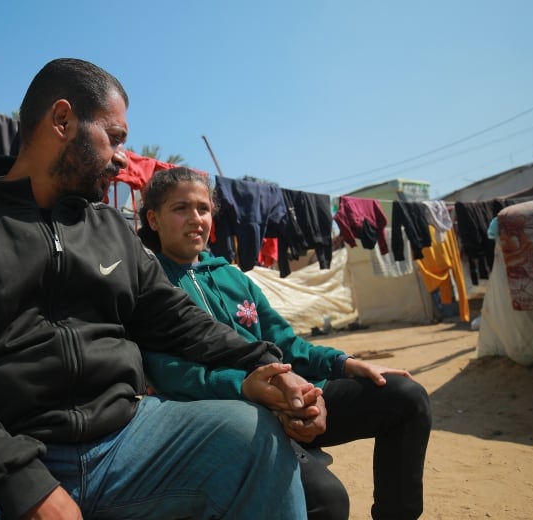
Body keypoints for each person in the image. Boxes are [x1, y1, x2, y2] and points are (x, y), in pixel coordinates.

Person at [0, 58, 315, 520]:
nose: (121, 157)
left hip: (126, 441)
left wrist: (266, 364)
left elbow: (178, 322)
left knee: (250, 437)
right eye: (114, 138)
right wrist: (22, 480)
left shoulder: (112, 231)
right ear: (62, 121)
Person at [137, 167, 433, 520]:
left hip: (291, 397)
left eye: (203, 209)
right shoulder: (150, 285)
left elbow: (284, 343)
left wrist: (344, 363)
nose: (196, 219)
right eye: (180, 209)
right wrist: (247, 389)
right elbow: (169, 372)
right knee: (327, 499)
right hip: (234, 415)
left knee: (405, 396)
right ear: (153, 219)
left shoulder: (232, 277)